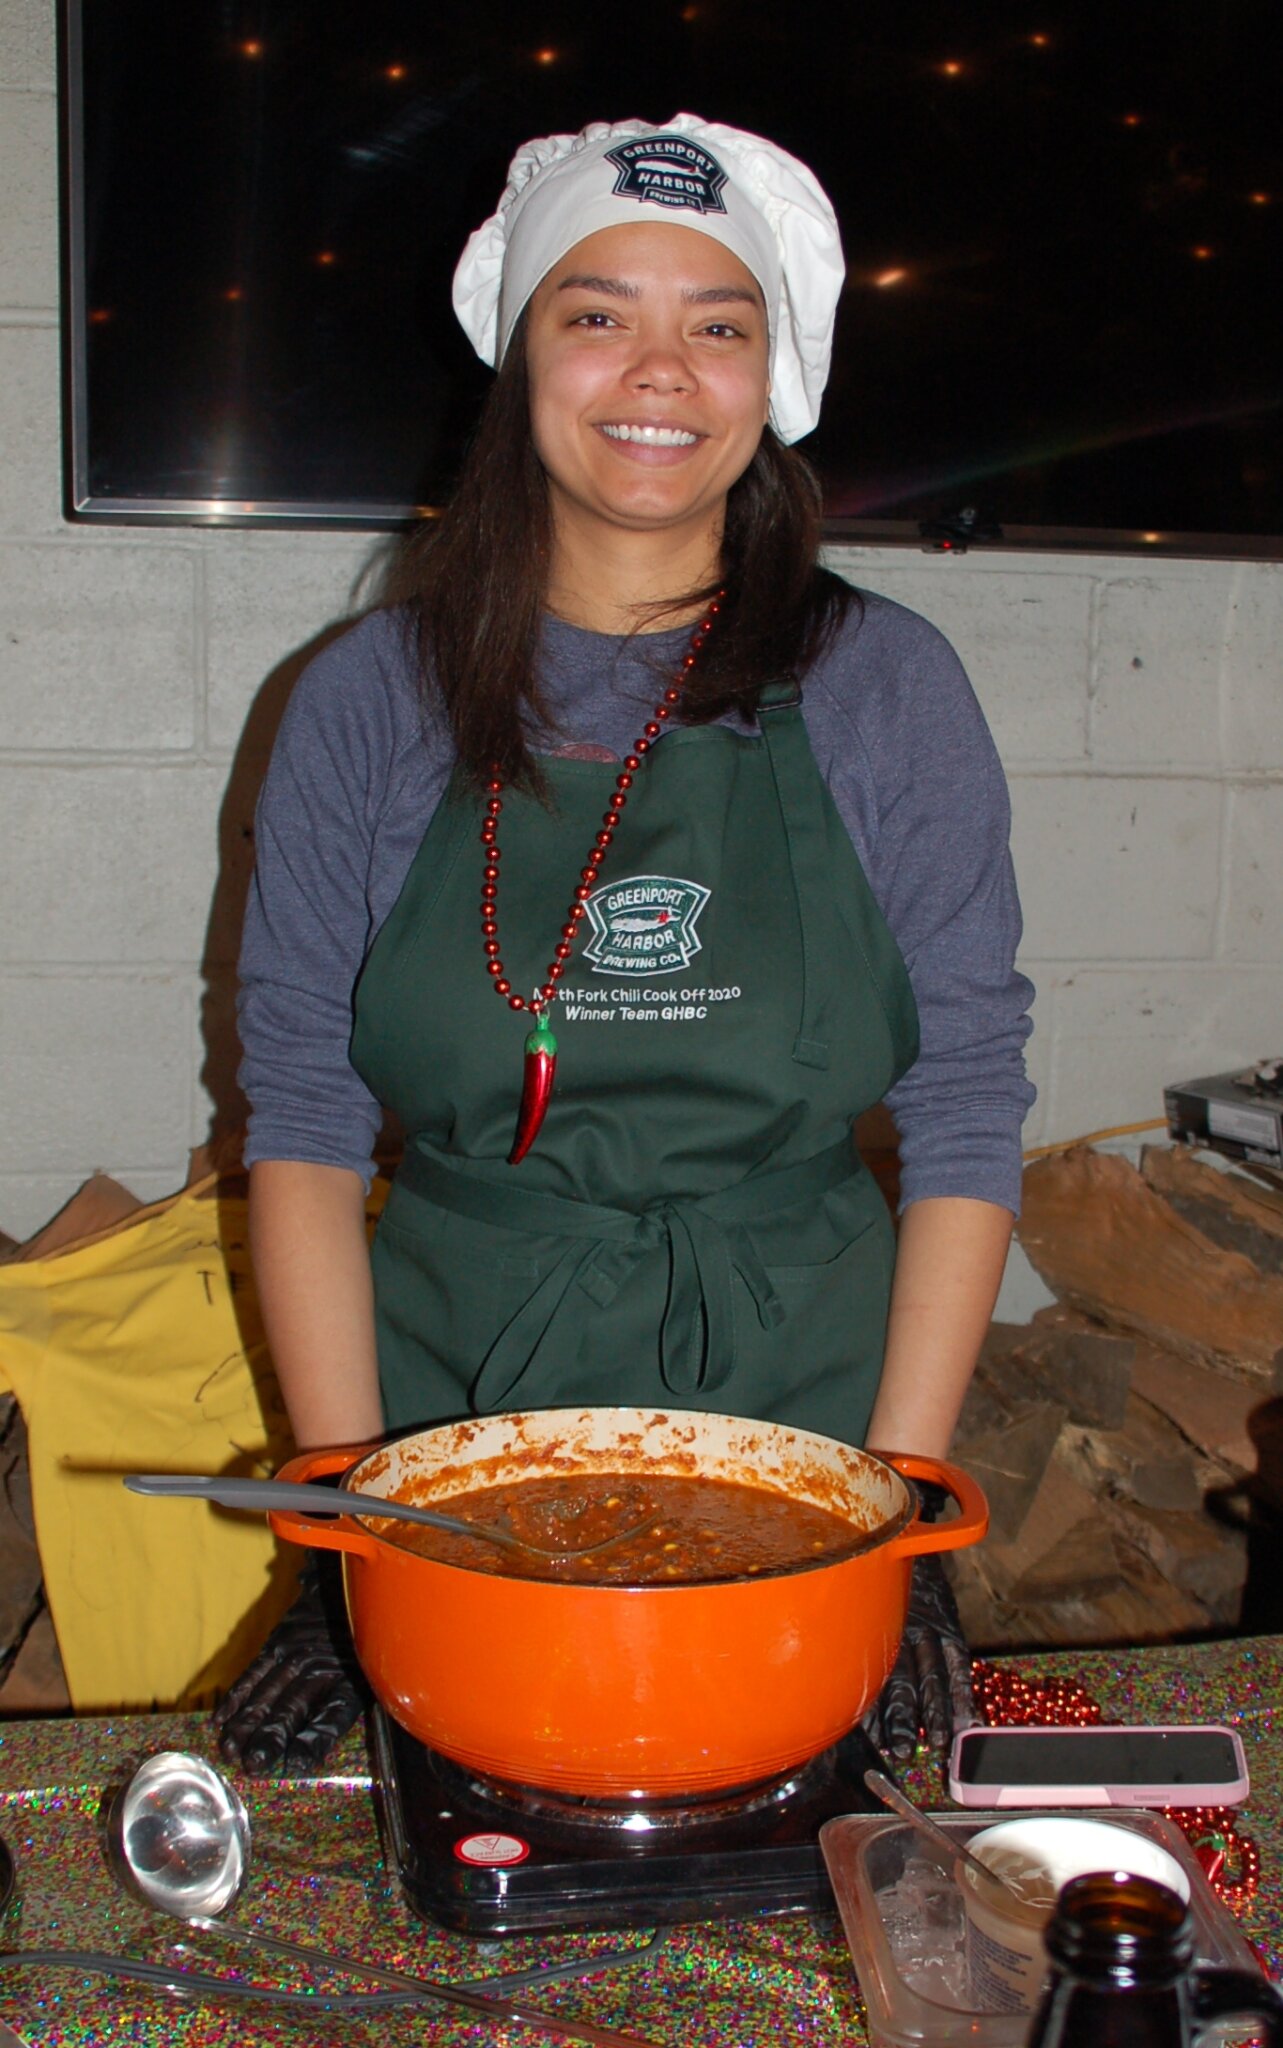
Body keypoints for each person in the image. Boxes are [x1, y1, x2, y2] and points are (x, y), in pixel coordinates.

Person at [217, 113, 1035, 1773]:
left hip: (804, 1393)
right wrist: (351, 1512)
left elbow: (967, 1106)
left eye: (716, 324)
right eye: (597, 311)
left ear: (772, 376)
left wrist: (894, 1505)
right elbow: (297, 1121)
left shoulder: (889, 687)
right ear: (522, 353)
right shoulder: (363, 700)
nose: (657, 368)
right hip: (456, 1401)